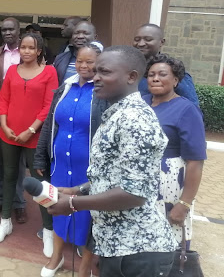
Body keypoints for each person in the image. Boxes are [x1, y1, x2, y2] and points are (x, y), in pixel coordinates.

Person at [47, 45, 177, 277]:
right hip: (114, 246)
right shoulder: (116, 114)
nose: (95, 77)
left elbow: (134, 193)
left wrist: (73, 204)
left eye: (104, 72)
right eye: (96, 71)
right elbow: (112, 177)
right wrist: (77, 190)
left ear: (131, 77)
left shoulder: (135, 120)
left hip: (138, 251)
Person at [34, 42, 107, 277]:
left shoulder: (103, 92)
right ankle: (56, 258)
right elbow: (50, 122)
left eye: (90, 62)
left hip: (89, 170)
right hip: (60, 164)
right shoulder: (66, 86)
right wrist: (40, 157)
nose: (84, 66)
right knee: (56, 207)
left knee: (87, 216)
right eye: (80, 61)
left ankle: (84, 268)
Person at [0, 33, 59, 252]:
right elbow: (4, 99)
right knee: (9, 177)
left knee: (41, 182)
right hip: (8, 134)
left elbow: (49, 105)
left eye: (31, 48)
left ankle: (48, 231)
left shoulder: (50, 72)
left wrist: (31, 130)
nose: (27, 51)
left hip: (35, 137)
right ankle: (5, 223)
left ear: (39, 51)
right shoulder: (12, 71)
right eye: (23, 47)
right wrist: (4, 124)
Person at [144, 53, 206, 248]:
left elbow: (195, 161)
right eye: (151, 74)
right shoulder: (140, 103)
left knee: (166, 244)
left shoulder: (186, 110)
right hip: (138, 186)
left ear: (176, 80)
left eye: (162, 74)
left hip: (169, 188)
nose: (155, 78)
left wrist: (184, 204)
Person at [0, 17, 29, 224]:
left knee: (19, 163)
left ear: (18, 30)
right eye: (3, 30)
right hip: (1, 115)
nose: (7, 33)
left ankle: (19, 203)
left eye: (11, 29)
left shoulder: (27, 52)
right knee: (2, 161)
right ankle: (0, 199)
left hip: (23, 116)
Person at [133, 23, 199, 106]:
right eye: (137, 39)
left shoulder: (173, 71)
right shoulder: (129, 69)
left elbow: (192, 108)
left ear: (161, 42)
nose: (140, 44)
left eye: (148, 39)